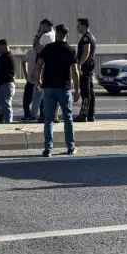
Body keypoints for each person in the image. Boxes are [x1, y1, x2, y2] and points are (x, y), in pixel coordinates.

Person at [34, 24, 80, 157]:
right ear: (67, 35)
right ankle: (70, 147)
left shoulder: (48, 48)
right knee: (68, 117)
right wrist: (77, 89)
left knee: (48, 119)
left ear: (57, 34)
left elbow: (38, 67)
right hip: (64, 88)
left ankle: (48, 149)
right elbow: (75, 71)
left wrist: (38, 82)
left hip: (48, 87)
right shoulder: (70, 50)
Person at [36, 18, 59, 123]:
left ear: (44, 25)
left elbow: (38, 50)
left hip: (46, 65)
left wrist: (39, 34)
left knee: (45, 92)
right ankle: (55, 116)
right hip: (57, 66)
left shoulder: (45, 36)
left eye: (41, 26)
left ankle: (44, 115)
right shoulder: (56, 35)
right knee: (57, 92)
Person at [75, 17, 97, 122]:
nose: (77, 28)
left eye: (78, 26)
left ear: (84, 26)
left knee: (85, 91)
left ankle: (83, 115)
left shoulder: (86, 37)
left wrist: (79, 64)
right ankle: (91, 115)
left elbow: (87, 51)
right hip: (89, 65)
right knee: (90, 91)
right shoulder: (91, 36)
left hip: (86, 66)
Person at [21, 35, 41, 121]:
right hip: (30, 81)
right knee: (26, 100)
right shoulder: (30, 53)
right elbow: (23, 61)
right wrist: (26, 74)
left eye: (36, 43)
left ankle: (40, 115)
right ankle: (27, 115)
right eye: (34, 43)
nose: (34, 45)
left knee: (40, 101)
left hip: (39, 82)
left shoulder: (43, 54)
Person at [0, 39, 16, 123]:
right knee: (5, 105)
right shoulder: (6, 56)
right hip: (6, 84)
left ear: (4, 46)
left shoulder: (6, 57)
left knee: (6, 105)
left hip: (6, 84)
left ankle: (9, 123)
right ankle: (7, 121)